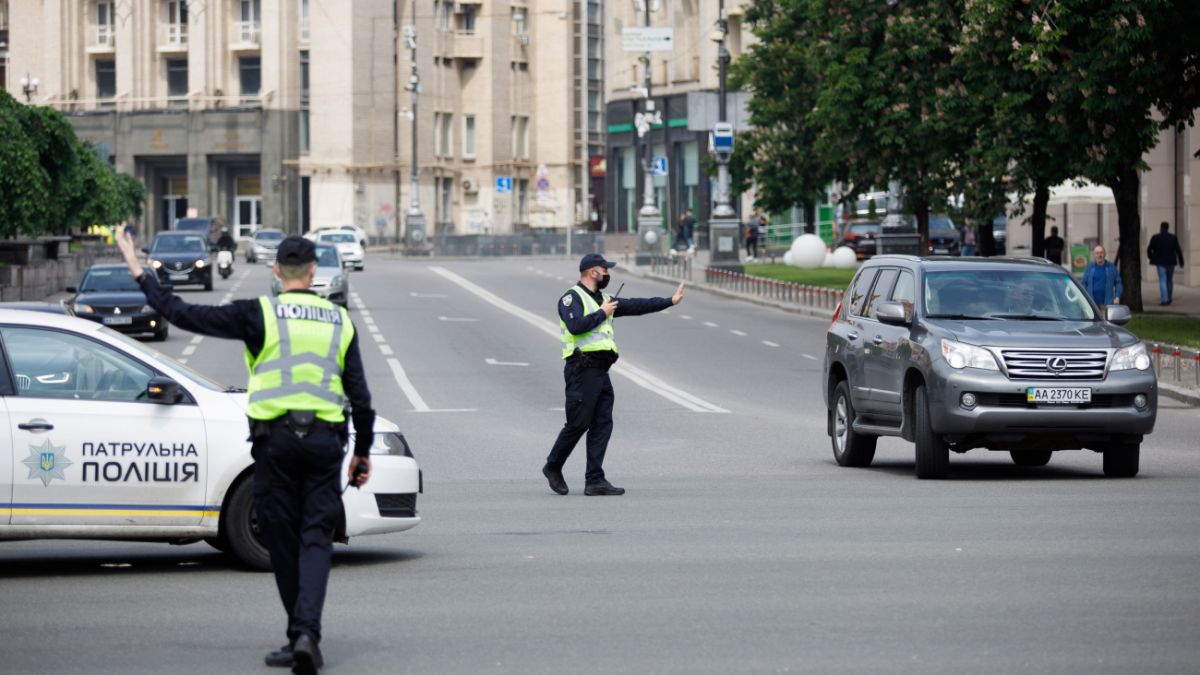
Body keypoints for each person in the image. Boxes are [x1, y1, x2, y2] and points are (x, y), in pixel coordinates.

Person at [115, 230, 374, 674]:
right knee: (315, 539)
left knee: (280, 539)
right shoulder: (339, 321)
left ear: (276, 272)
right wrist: (362, 452)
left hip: (275, 444)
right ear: (313, 273)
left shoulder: (260, 315)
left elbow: (183, 313)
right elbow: (361, 397)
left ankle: (301, 634)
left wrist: (140, 271)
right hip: (325, 444)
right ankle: (305, 634)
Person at [543, 253, 685, 496]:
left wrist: (669, 301)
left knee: (602, 424)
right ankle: (553, 466)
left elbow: (637, 306)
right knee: (578, 423)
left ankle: (595, 480)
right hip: (581, 369)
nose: (608, 274)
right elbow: (576, 326)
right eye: (604, 269)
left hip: (600, 370)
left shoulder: (604, 299)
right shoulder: (571, 298)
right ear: (591, 272)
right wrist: (602, 313)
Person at [1147, 221, 1185, 306]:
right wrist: (1181, 261)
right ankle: (1169, 297)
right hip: (1171, 262)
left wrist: (1150, 257)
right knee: (1169, 280)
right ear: (1168, 228)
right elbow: (1178, 250)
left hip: (1160, 262)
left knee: (1162, 280)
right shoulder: (1173, 238)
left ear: (1161, 227)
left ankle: (1164, 299)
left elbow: (1149, 249)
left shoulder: (1156, 237)